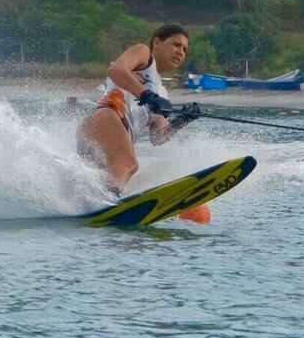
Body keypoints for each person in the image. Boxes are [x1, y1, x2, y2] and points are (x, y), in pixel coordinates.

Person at [77, 24, 208, 222]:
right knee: (128, 164)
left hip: (106, 137)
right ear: (157, 42)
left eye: (185, 49)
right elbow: (116, 70)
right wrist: (145, 93)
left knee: (110, 175)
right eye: (176, 44)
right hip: (105, 117)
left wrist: (183, 120)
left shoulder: (161, 92)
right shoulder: (144, 55)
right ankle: (108, 207)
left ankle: (94, 211)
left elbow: (158, 136)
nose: (180, 52)